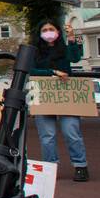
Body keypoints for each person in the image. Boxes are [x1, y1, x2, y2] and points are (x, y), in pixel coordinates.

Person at [29, 20, 90, 182]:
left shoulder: (64, 48)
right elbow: (30, 70)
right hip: (43, 93)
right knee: (47, 135)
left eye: (51, 29)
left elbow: (75, 58)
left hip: (65, 94)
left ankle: (80, 165)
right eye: (45, 30)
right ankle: (50, 166)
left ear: (57, 32)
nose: (48, 32)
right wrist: (53, 72)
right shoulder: (35, 51)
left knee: (72, 132)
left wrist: (71, 38)